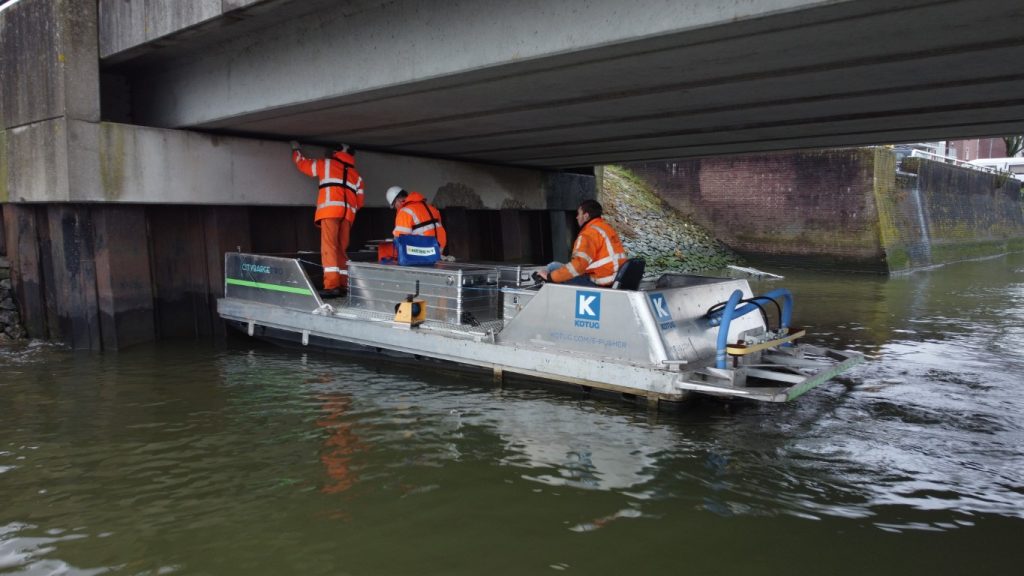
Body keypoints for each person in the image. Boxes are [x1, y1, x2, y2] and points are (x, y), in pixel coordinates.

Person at [290, 141, 364, 297]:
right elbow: (360, 202)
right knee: (341, 250)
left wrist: (296, 150)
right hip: (347, 216)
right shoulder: (356, 176)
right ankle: (344, 284)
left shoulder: (327, 164)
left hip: (330, 212)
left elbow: (304, 165)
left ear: (336, 152)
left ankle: (332, 286)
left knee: (329, 248)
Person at [537, 199, 627, 287]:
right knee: (554, 265)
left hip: (601, 281)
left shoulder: (588, 234)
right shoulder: (606, 228)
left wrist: (550, 277)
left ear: (586, 216)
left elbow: (578, 265)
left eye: (579, 214)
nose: (577, 217)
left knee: (552, 268)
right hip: (614, 277)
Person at [384, 186, 448, 253]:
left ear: (398, 200)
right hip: (439, 249)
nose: (395, 208)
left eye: (394, 205)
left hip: (422, 252)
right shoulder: (432, 208)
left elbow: (400, 238)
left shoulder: (405, 212)